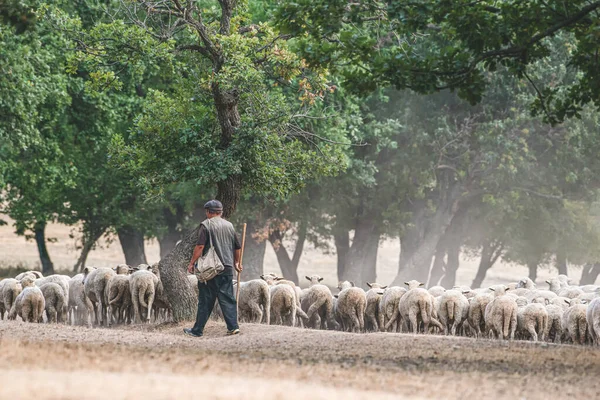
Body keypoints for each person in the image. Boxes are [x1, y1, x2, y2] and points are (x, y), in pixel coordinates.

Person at [184, 200, 243, 337]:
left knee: (205, 300)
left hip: (211, 269)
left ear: (208, 212)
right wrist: (236, 263)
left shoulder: (206, 225)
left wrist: (192, 263)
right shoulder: (230, 226)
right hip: (227, 269)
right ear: (220, 212)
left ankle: (197, 330)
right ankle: (233, 327)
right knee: (228, 298)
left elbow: (199, 247)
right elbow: (237, 247)